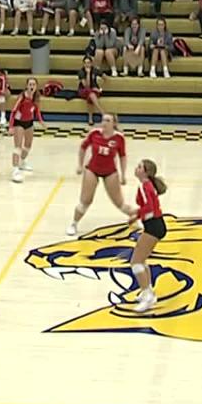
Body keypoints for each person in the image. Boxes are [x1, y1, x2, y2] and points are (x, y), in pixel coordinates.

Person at [68, 113, 131, 236]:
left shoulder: (119, 138)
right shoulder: (94, 133)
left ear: (114, 123)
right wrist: (80, 165)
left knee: (119, 203)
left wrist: (123, 175)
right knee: (86, 200)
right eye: (103, 120)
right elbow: (83, 147)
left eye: (108, 120)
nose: (104, 123)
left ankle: (137, 218)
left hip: (110, 172)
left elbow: (122, 156)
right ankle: (74, 223)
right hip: (92, 169)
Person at [126, 158, 169, 312]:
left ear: (145, 172)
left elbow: (149, 209)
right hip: (156, 225)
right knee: (141, 259)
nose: (136, 168)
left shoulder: (145, 187)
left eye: (139, 167)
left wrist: (135, 216)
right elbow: (148, 207)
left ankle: (148, 295)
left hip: (153, 226)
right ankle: (147, 290)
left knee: (136, 262)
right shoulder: (147, 185)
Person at [9, 78, 45, 183]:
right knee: (18, 147)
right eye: (30, 84)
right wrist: (11, 126)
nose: (32, 86)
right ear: (27, 86)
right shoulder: (22, 97)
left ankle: (22, 162)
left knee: (28, 146)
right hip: (19, 123)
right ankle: (15, 171)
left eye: (33, 84)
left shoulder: (36, 97)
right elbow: (14, 111)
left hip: (29, 122)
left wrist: (41, 121)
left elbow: (37, 110)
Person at [77, 55, 104, 126]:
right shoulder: (81, 72)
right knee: (90, 93)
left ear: (91, 63)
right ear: (83, 64)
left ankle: (90, 118)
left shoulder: (94, 70)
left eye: (88, 63)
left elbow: (105, 77)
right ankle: (103, 114)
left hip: (94, 91)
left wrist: (100, 86)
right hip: (83, 91)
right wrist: (88, 74)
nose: (87, 64)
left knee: (91, 96)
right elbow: (86, 86)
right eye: (85, 63)